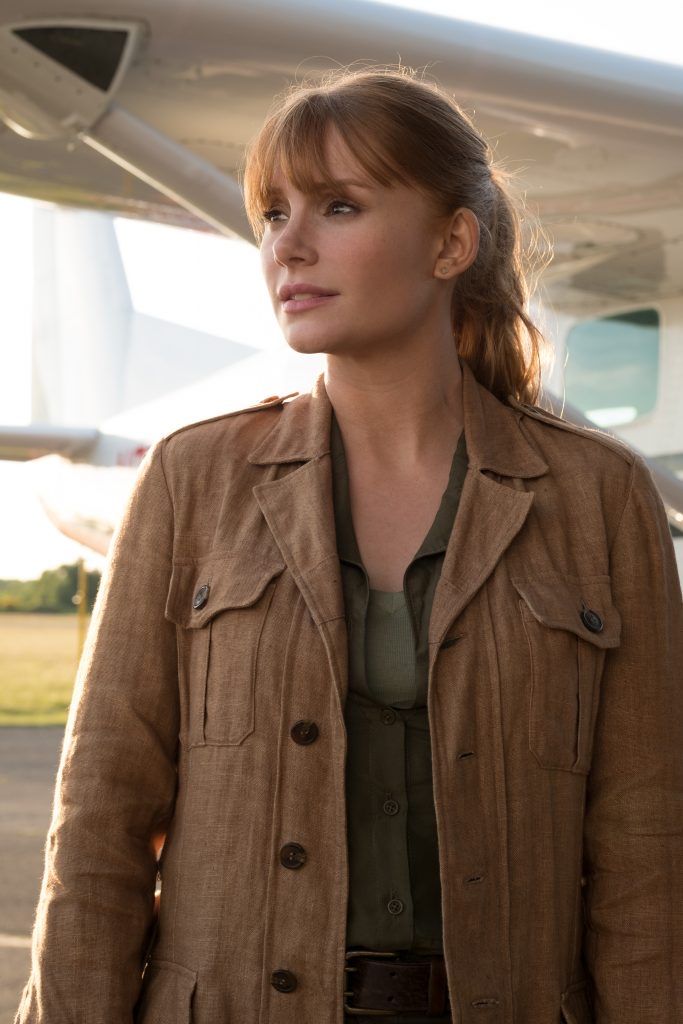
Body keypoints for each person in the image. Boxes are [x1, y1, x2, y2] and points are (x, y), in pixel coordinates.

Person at [15, 67, 682, 1024]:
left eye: (337, 206)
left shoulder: (599, 498)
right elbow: (98, 830)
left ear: (452, 241)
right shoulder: (191, 479)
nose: (287, 244)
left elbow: (646, 853)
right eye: (271, 213)